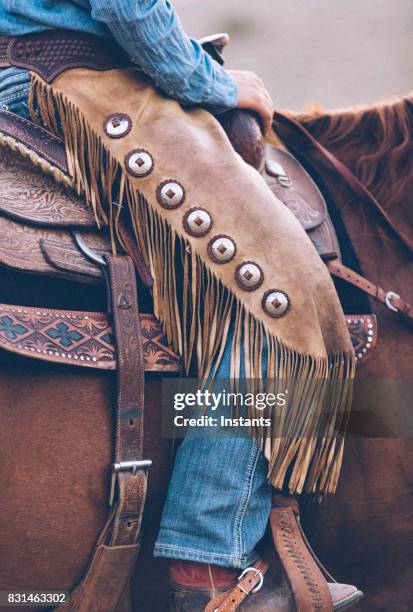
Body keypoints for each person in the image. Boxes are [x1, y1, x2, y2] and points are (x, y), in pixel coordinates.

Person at [0, 2, 362, 610]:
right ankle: (211, 558)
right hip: (70, 82)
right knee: (281, 292)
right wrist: (215, 81)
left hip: (40, 69)